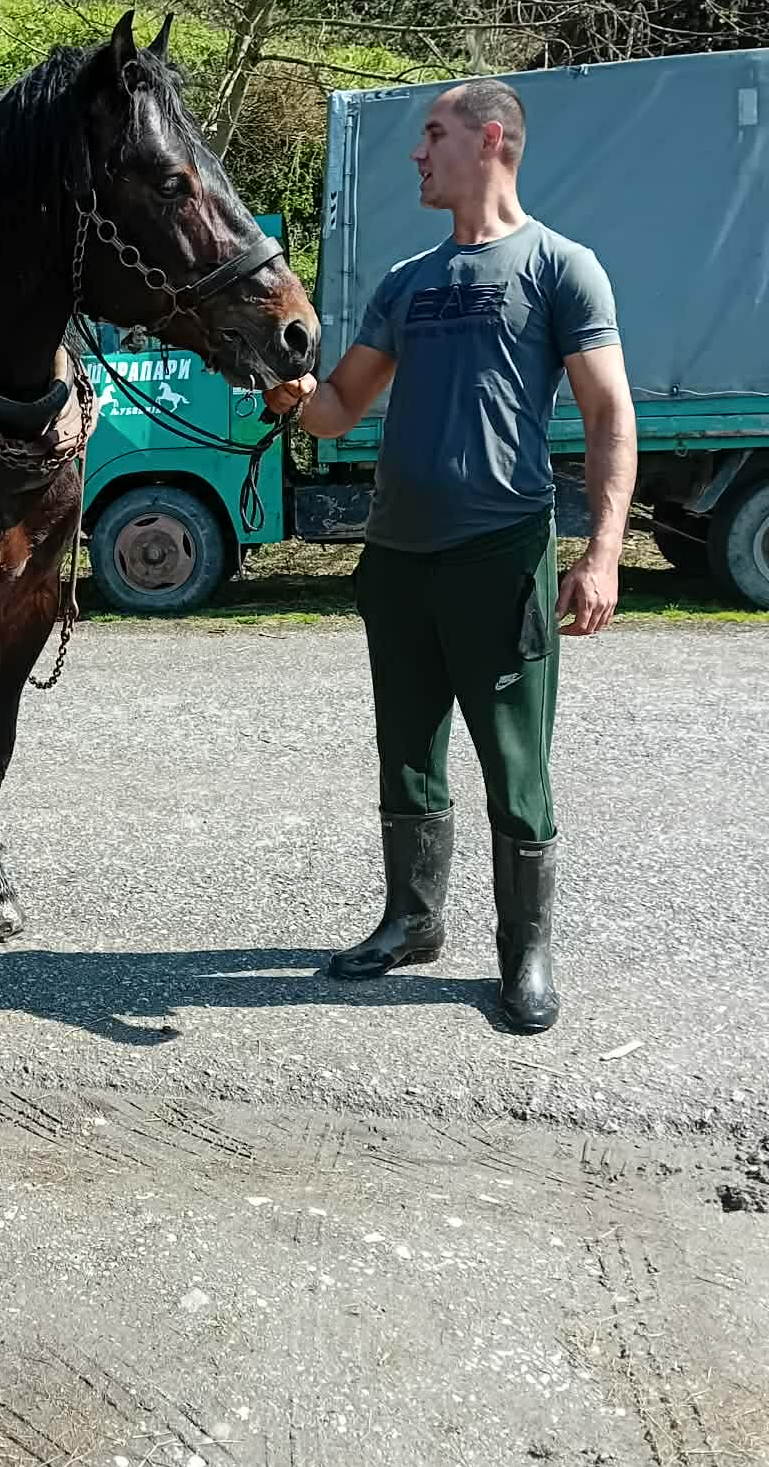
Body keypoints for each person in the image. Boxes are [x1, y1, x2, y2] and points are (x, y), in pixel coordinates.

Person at [266, 78, 636, 1034]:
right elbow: (339, 408)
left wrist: (600, 552)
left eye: (434, 134)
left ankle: (526, 954)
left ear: (492, 139)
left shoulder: (562, 268)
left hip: (497, 554)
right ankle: (414, 920)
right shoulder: (407, 280)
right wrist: (286, 389)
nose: (418, 153)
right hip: (397, 558)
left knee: (515, 762)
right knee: (407, 751)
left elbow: (608, 415)